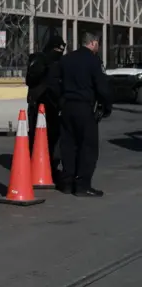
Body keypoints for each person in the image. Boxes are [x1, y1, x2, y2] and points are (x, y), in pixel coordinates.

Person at [55, 32, 112, 197]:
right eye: (98, 43)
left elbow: (57, 82)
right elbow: (102, 86)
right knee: (88, 147)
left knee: (68, 146)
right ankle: (82, 185)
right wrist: (106, 106)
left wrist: (61, 103)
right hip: (84, 108)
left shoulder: (66, 59)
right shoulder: (93, 60)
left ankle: (67, 183)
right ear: (93, 43)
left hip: (67, 108)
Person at [26, 35, 66, 174]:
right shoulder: (44, 61)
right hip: (43, 104)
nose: (59, 52)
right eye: (58, 49)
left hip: (45, 104)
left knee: (45, 136)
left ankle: (43, 165)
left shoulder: (43, 60)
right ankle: (43, 166)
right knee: (44, 136)